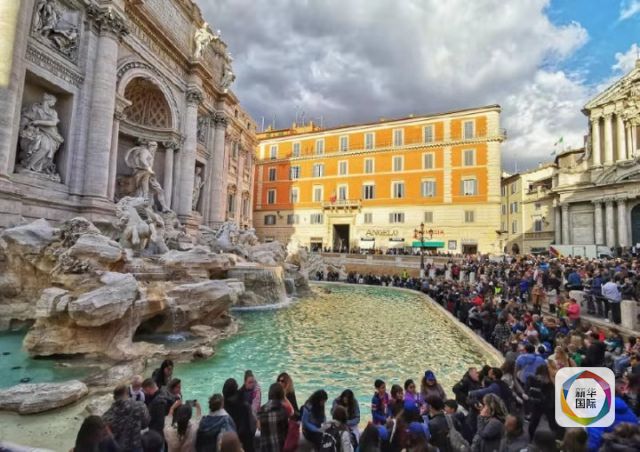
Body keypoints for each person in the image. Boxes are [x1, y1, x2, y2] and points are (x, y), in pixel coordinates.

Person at [102, 384, 150, 452]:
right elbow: (146, 423)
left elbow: (106, 435)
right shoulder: (140, 406)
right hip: (136, 445)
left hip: (118, 448)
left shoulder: (107, 415)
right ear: (127, 394)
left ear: (114, 397)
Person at [222, 378, 256, 452]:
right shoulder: (244, 404)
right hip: (246, 441)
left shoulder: (224, 407)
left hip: (231, 441)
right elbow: (251, 427)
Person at [257, 383, 290, 452]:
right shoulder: (283, 410)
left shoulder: (261, 410)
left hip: (265, 447)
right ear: (281, 395)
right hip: (280, 447)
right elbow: (286, 430)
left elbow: (259, 427)